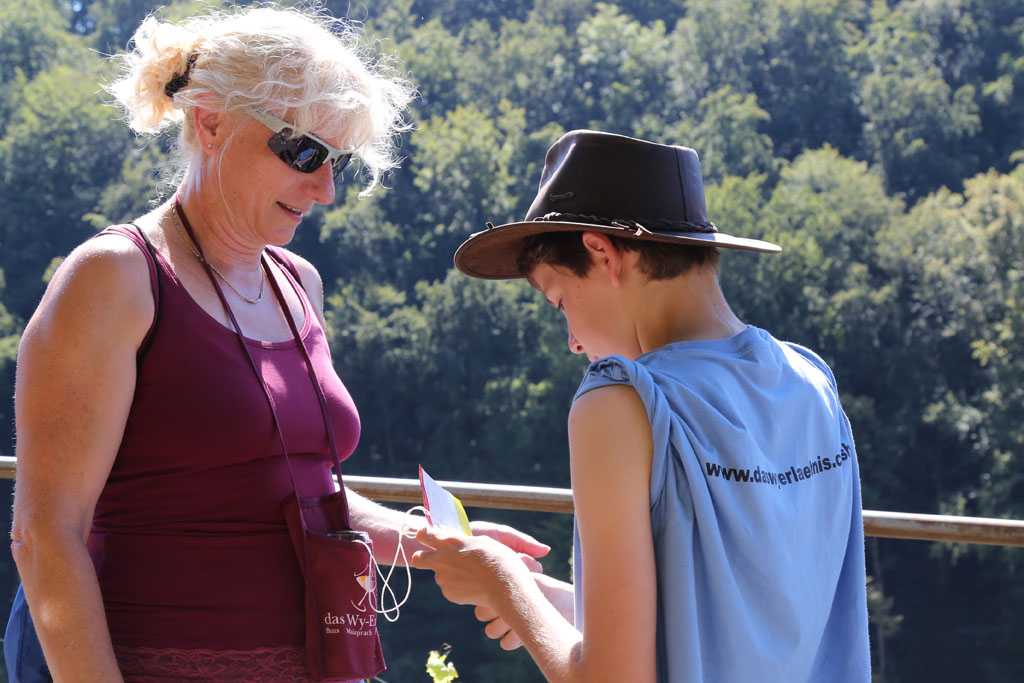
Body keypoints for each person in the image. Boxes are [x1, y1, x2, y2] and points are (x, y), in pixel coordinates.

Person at [6, 5, 547, 682]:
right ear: (210, 122)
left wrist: (436, 543)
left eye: (336, 161)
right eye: (304, 152)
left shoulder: (299, 283)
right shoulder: (115, 278)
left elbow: (294, 493)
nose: (325, 189)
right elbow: (45, 536)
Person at [412, 130, 871, 682]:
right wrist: (549, 600)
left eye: (560, 302)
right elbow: (746, 620)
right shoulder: (811, 380)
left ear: (602, 253)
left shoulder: (620, 401)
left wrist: (501, 582)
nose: (572, 342)